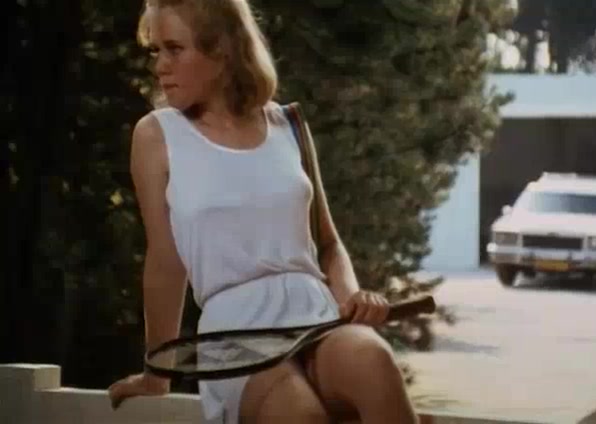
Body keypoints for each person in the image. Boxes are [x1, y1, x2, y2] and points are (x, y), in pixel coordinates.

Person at [107, 1, 420, 423]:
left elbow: (327, 244)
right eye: (156, 50)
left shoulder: (288, 123)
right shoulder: (156, 135)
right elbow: (166, 262)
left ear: (221, 50)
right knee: (301, 415)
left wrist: (353, 300)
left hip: (316, 313)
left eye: (175, 49)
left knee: (374, 362)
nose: (160, 65)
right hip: (235, 334)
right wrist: (157, 373)